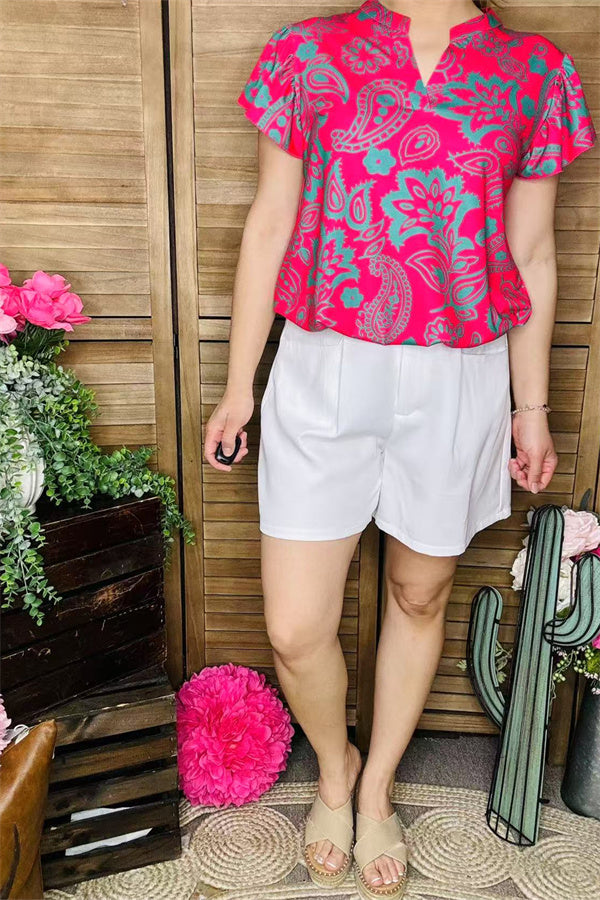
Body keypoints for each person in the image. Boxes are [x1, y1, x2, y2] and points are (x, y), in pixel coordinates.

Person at [204, 1, 597, 897]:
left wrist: (530, 408)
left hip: (460, 373)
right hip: (322, 362)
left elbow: (533, 253)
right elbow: (270, 223)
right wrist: (238, 385)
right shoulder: (309, 53)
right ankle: (334, 765)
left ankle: (374, 787)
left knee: (418, 595)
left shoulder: (533, 70)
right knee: (295, 627)